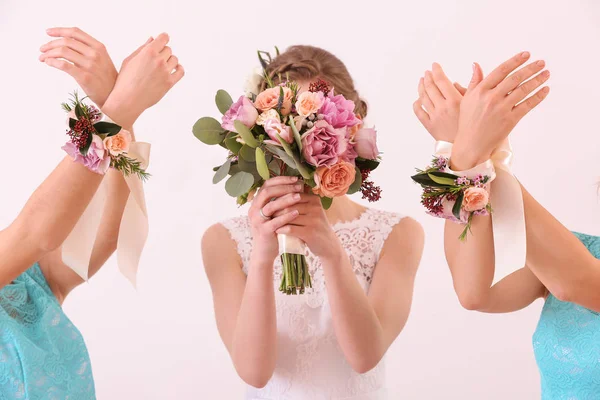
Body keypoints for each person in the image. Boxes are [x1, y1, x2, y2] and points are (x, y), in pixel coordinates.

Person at [202, 45, 424, 399]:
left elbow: (365, 358)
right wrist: (262, 256)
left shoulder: (398, 234)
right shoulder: (224, 241)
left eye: (316, 126)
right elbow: (254, 373)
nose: (300, 147)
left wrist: (332, 254)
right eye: (285, 129)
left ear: (350, 131)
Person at [0, 27, 184, 399]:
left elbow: (103, 237)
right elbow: (37, 231)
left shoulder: (22, 283)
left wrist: (119, 120)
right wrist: (115, 109)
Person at [414, 51, 600, 398]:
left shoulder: (574, 265)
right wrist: (466, 154)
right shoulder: (581, 250)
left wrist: (475, 150)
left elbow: (573, 283)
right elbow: (475, 292)